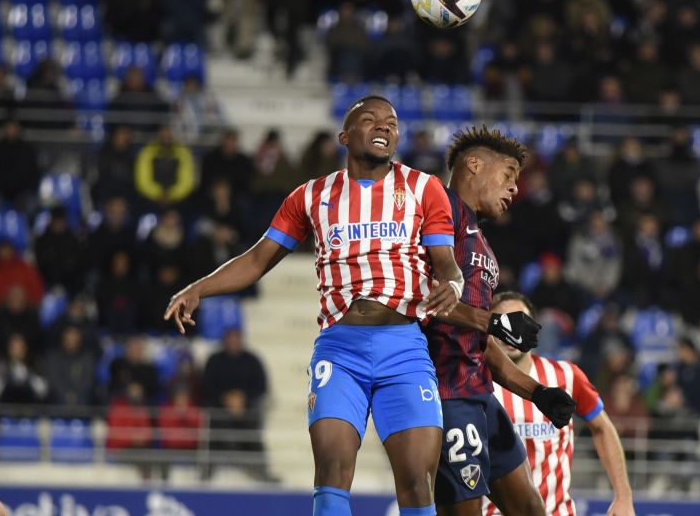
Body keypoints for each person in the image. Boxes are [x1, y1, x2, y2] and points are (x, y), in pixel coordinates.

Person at [164, 97, 534, 516]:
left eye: (392, 122)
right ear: (344, 136)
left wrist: (451, 284)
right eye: (370, 119)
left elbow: (447, 264)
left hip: (405, 350)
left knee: (416, 481)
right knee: (333, 473)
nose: (384, 126)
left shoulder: (423, 188)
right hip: (340, 351)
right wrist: (199, 288)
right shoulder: (311, 196)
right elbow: (256, 259)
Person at [426, 128, 570, 516]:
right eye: (508, 175)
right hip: (446, 393)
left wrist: (537, 392)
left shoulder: (482, 243)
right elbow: (420, 301)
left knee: (531, 510)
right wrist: (493, 322)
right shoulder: (439, 213)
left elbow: (479, 336)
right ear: (474, 164)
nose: (513, 190)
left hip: (480, 396)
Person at [484, 291, 634, 516]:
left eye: (518, 321)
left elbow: (602, 428)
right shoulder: (474, 382)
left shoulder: (566, 376)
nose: (511, 331)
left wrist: (623, 495)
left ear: (533, 327)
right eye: (504, 322)